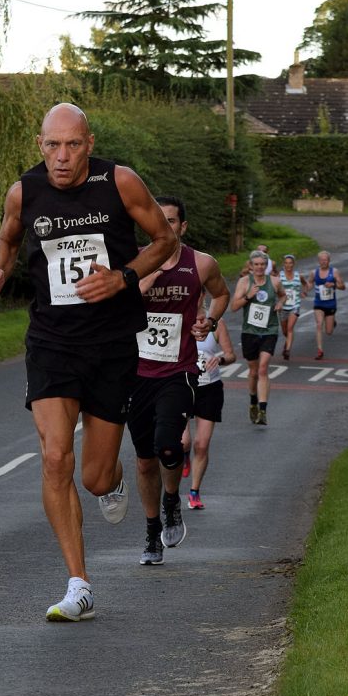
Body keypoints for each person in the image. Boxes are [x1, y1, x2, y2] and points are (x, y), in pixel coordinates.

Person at [0, 103, 177, 622]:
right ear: (39, 144)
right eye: (51, 146)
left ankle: (112, 479)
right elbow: (7, 237)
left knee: (93, 477)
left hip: (111, 345)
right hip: (51, 341)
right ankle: (78, 584)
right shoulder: (25, 191)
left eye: (72, 145)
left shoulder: (121, 183)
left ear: (89, 143)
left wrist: (122, 279)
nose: (61, 158)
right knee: (54, 457)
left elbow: (164, 240)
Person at [130, 196, 230, 566]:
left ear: (182, 227)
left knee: (168, 446)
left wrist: (211, 320)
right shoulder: (134, 262)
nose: (165, 226)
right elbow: (106, 307)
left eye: (172, 221)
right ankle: (152, 531)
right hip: (136, 372)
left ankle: (172, 500)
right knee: (143, 462)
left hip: (179, 370)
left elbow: (221, 295)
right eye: (159, 220)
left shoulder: (201, 264)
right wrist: (140, 283)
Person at [183, 316, 236, 510]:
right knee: (184, 442)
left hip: (210, 388)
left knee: (202, 444)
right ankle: (184, 454)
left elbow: (231, 355)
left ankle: (194, 492)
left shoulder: (216, 322)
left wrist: (219, 359)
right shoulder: (180, 315)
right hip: (184, 387)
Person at [231, 250, 286, 427]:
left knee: (263, 369)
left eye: (263, 264)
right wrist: (249, 296)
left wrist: (280, 303)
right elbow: (233, 307)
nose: (260, 267)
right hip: (250, 331)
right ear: (251, 266)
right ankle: (253, 400)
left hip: (269, 330)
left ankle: (263, 410)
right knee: (253, 372)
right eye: (256, 264)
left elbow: (283, 295)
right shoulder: (244, 282)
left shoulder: (275, 282)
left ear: (266, 265)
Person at [307, 250, 346, 359]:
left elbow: (343, 287)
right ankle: (320, 350)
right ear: (318, 261)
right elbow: (310, 283)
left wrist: (334, 285)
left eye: (325, 260)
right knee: (319, 324)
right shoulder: (314, 273)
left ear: (329, 261)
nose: (323, 262)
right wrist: (306, 290)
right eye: (321, 260)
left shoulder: (334, 272)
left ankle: (332, 321)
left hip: (330, 304)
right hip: (318, 303)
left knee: (328, 332)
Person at [278, 254, 309, 360]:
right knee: (284, 331)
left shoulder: (298, 276)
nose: (288, 265)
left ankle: (287, 350)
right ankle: (287, 342)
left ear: (294, 264)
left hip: (295, 305)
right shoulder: (279, 276)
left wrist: (304, 292)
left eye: (290, 263)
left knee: (290, 328)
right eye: (286, 263)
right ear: (283, 264)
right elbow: (274, 288)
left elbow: (306, 284)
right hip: (283, 306)